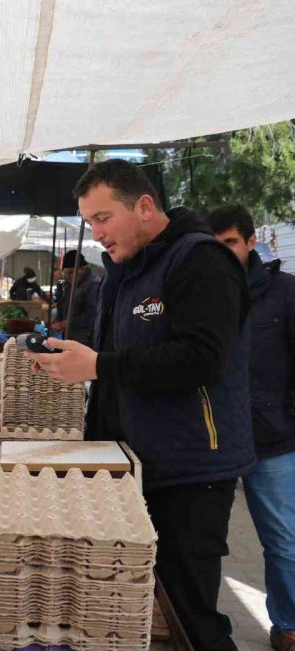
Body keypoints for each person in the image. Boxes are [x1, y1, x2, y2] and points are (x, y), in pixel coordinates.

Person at [28, 159, 254, 651]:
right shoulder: (124, 272)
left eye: (103, 218)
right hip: (139, 464)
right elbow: (113, 366)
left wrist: (99, 366)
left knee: (192, 610)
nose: (97, 234)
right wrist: (93, 449)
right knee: (153, 604)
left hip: (193, 469)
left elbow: (202, 359)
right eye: (90, 223)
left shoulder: (201, 260)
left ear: (145, 206)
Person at [208, 204, 295, 651]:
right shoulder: (200, 292)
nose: (223, 254)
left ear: (250, 241)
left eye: (231, 244)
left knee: (284, 541)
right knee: (205, 545)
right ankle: (205, 626)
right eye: (214, 245)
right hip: (215, 440)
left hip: (272, 441)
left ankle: (288, 625)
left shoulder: (285, 292)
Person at [52, 252, 101, 345]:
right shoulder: (70, 283)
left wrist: (69, 322)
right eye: (65, 273)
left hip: (85, 338)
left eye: (71, 272)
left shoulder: (93, 284)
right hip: (70, 336)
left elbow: (93, 314)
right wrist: (59, 320)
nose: (68, 276)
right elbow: (64, 304)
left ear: (82, 268)